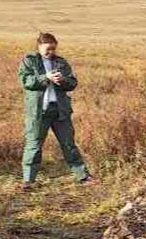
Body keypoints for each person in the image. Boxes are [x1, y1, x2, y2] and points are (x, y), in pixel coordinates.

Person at [18, 32, 92, 190]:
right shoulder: (29, 61)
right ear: (39, 46)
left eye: (53, 49)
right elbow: (26, 81)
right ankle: (28, 181)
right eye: (48, 49)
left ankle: (83, 176)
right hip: (38, 111)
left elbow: (72, 83)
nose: (51, 52)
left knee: (69, 144)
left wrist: (62, 80)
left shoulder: (61, 62)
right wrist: (46, 78)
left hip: (60, 111)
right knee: (34, 145)